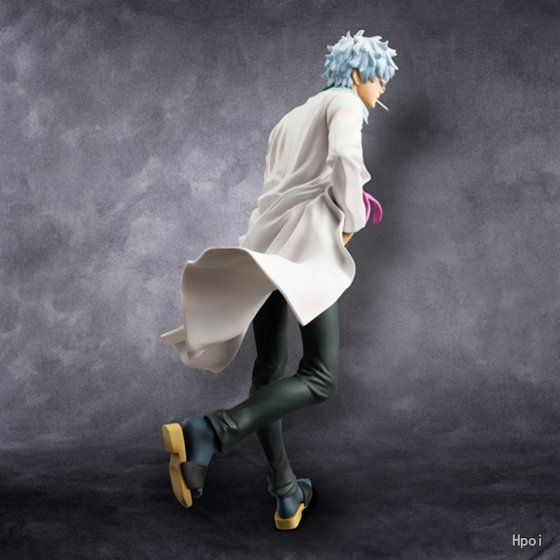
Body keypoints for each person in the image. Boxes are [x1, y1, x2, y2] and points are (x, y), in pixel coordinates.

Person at [160, 29, 398, 530]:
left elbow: (274, 189)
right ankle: (210, 432)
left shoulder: (289, 120)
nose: (381, 90)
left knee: (268, 371)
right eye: (378, 79)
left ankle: (286, 491)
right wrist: (353, 220)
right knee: (320, 376)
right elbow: (345, 161)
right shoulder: (345, 105)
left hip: (266, 248)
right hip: (308, 249)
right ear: (357, 74)